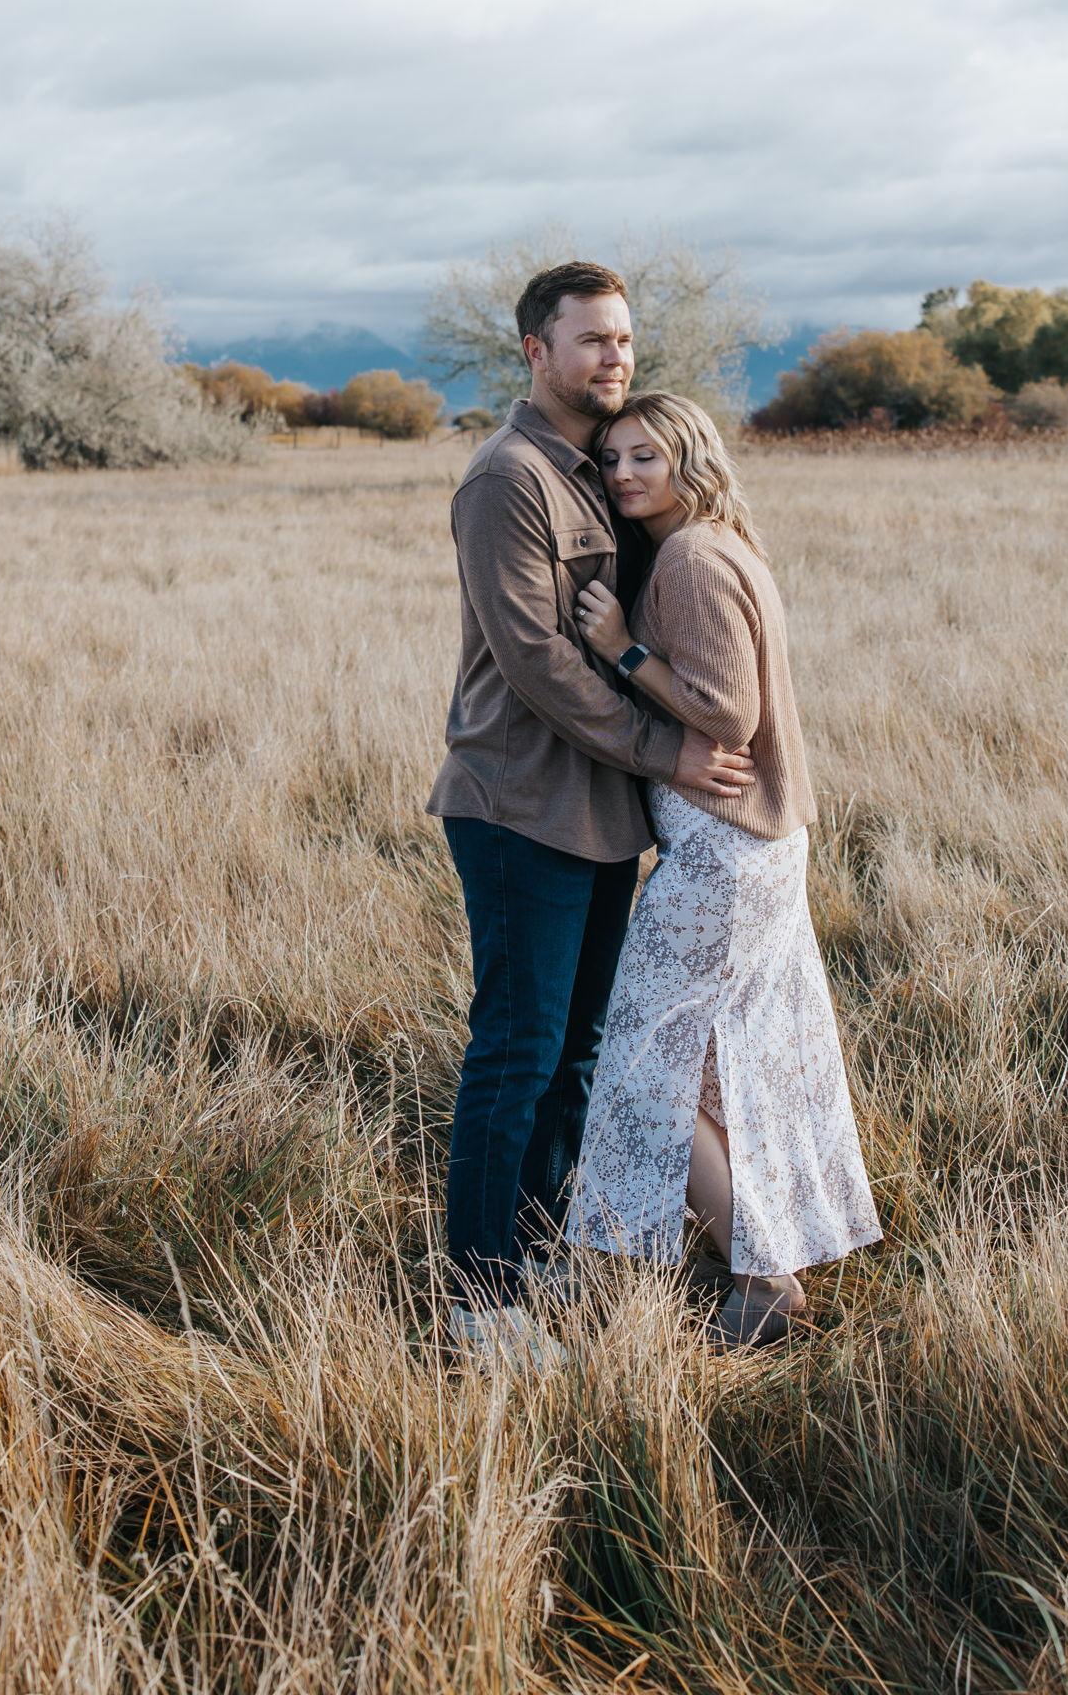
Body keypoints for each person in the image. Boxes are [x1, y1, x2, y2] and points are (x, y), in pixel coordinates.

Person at [426, 263, 758, 1371]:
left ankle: (533, 1254)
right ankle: (480, 1307)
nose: (615, 356)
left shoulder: (606, 472)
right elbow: (537, 662)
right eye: (591, 340)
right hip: (520, 803)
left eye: (623, 338)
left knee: (578, 1055)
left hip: (603, 811)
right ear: (537, 351)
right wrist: (669, 750)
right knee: (515, 1052)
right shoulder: (507, 480)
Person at [563, 391, 882, 1349]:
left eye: (645, 456)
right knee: (714, 1060)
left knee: (642, 1064)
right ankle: (755, 1252)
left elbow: (727, 713)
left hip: (722, 852)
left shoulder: (693, 560)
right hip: (754, 847)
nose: (623, 475)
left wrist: (621, 650)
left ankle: (764, 1275)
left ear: (688, 458)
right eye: (612, 459)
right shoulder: (723, 543)